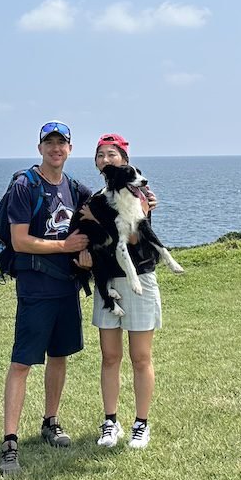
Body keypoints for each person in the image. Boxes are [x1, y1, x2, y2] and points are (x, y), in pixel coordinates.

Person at [0, 121, 90, 476]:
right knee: (22, 363)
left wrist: (145, 202)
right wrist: (65, 247)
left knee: (59, 356)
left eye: (62, 143)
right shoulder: (26, 186)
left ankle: (50, 422)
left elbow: (105, 206)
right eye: (49, 143)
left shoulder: (73, 187)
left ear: (69, 149)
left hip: (66, 287)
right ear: (40, 148)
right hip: (36, 288)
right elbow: (20, 240)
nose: (56, 148)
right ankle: (10, 442)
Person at [86, 132, 162, 450]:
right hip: (110, 281)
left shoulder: (140, 195)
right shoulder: (97, 198)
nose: (106, 159)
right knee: (110, 357)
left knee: (141, 357)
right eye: (101, 154)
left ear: (124, 161)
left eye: (112, 154)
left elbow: (134, 240)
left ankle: (140, 424)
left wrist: (102, 218)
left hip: (140, 279)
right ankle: (110, 422)